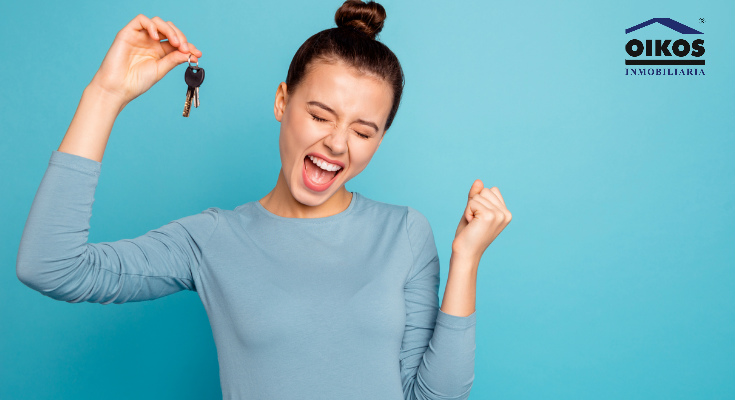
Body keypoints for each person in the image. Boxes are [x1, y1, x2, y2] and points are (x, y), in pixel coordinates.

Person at [16, 1, 512, 399]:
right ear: (282, 102)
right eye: (320, 115)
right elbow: (51, 267)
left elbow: (435, 397)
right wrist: (105, 94)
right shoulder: (210, 240)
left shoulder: (405, 232)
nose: (338, 143)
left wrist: (465, 260)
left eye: (363, 130)